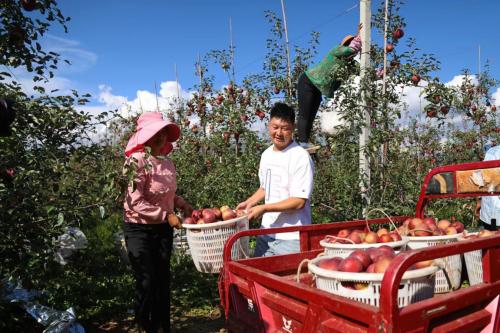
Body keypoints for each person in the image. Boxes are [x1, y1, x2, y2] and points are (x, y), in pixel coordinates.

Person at [123, 112, 193, 333]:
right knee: (146, 279)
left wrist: (181, 203)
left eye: (163, 132)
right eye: (155, 133)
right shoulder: (135, 162)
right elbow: (135, 202)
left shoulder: (168, 163)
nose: (160, 137)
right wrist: (166, 215)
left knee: (162, 279)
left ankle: (162, 327)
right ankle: (145, 324)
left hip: (163, 229)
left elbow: (167, 195)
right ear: (144, 136)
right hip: (138, 229)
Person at [237, 103, 314, 257]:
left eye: (284, 128)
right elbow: (265, 187)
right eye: (275, 127)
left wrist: (264, 208)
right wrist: (250, 202)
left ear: (293, 128)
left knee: (287, 280)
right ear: (268, 125)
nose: (279, 133)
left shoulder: (300, 157)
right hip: (266, 232)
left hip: (291, 238)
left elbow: (299, 201)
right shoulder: (266, 154)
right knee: (260, 278)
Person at [297, 23, 362, 150]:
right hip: (308, 81)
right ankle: (303, 143)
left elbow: (367, 72)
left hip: (318, 88)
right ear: (344, 45)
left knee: (312, 114)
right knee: (305, 113)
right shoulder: (337, 50)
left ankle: (305, 142)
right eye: (348, 43)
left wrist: (387, 69)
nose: (350, 45)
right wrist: (361, 34)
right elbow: (353, 48)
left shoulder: (351, 65)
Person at [475, 144, 500, 231]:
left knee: (493, 239)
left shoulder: (493, 152)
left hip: (493, 215)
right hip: (493, 212)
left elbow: (484, 179)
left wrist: (479, 201)